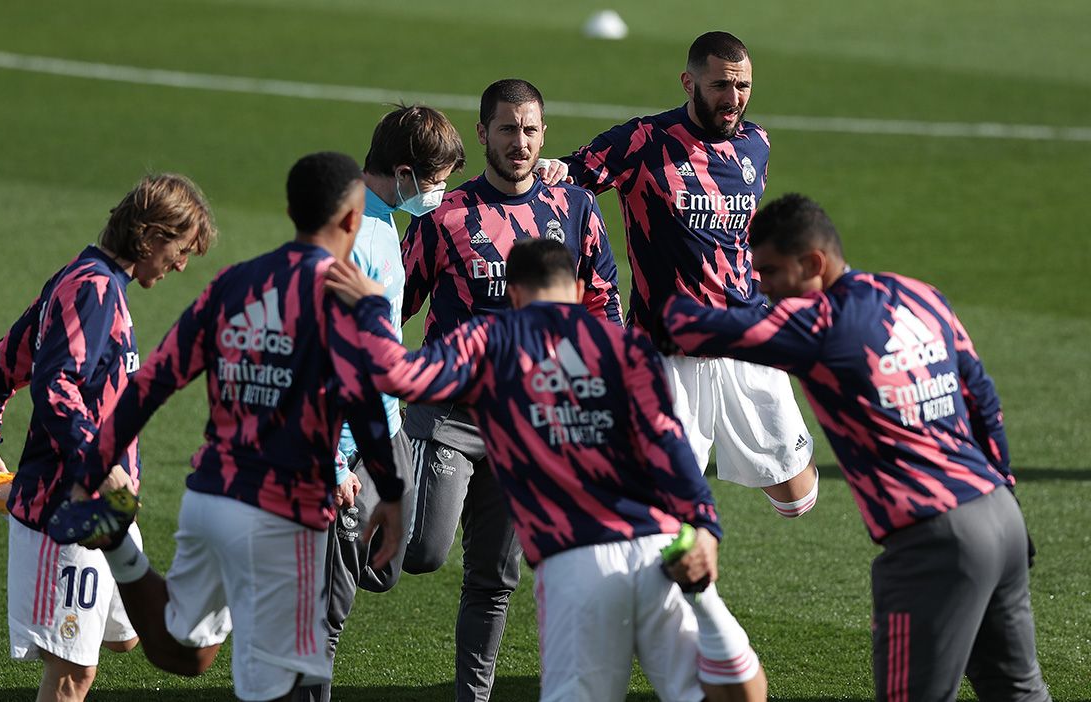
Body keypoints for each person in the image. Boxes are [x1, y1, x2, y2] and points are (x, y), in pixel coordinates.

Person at [327, 237, 767, 701]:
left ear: (512, 295)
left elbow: (397, 375)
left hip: (576, 559)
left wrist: (372, 306)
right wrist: (704, 525)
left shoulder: (491, 341)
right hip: (660, 550)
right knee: (709, 692)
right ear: (578, 290)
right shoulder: (627, 348)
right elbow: (671, 446)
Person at [661, 193, 1051, 700]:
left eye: (772, 272)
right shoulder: (922, 294)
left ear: (814, 264)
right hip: (1001, 516)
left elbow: (687, 325)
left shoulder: (815, 324)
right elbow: (985, 402)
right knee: (1018, 691)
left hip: (933, 541)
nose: (762, 286)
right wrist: (1009, 495)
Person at [50, 152, 406, 702]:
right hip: (284, 517)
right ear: (354, 220)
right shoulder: (347, 296)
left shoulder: (234, 284)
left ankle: (118, 544)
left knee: (185, 652)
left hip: (212, 500)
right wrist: (392, 486)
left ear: (290, 210)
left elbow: (152, 383)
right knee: (290, 687)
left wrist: (92, 470)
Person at [398, 78, 622, 701]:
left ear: (544, 134)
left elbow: (602, 304)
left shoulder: (576, 208)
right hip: (448, 413)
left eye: (529, 130)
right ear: (483, 134)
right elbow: (396, 305)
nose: (519, 142)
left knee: (496, 579)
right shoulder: (444, 215)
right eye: (506, 129)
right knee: (419, 553)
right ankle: (341, 532)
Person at [0, 173, 217, 702]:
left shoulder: (85, 279)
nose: (181, 265)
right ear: (150, 236)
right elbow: (55, 386)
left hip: (107, 505)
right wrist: (96, 462)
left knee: (130, 636)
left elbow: (9, 355)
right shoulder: (93, 290)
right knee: (73, 675)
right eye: (180, 249)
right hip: (69, 510)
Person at [560, 31, 820, 518]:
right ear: (688, 82)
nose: (734, 98)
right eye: (721, 85)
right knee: (657, 509)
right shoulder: (643, 141)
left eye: (743, 86)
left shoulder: (756, 146)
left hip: (744, 339)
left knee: (799, 500)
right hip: (668, 351)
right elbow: (569, 180)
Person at [293, 104, 466, 702]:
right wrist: (333, 464)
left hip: (384, 432)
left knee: (390, 564)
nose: (440, 195)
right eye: (437, 181)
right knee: (330, 611)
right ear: (405, 172)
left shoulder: (384, 221)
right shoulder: (351, 237)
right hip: (346, 442)